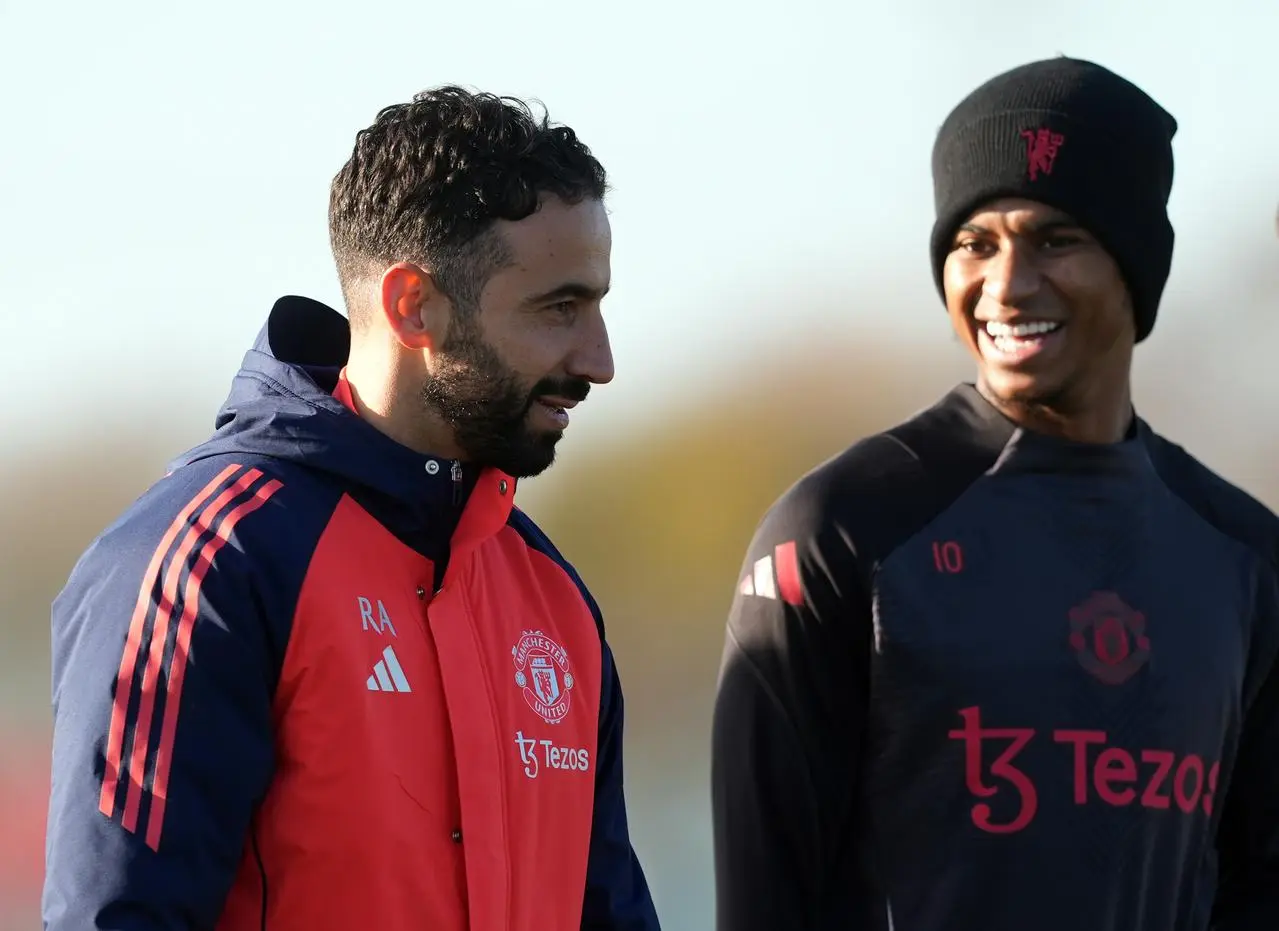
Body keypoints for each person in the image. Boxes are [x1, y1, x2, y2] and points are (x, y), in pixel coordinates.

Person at [43, 86, 661, 931]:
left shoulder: (554, 599)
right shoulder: (210, 562)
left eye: (598, 306)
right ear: (414, 306)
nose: (598, 359)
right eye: (559, 308)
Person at [710, 56, 1279, 931]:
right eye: (976, 243)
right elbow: (765, 901)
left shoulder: (1246, 558)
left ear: (1135, 266)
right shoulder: (838, 533)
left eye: (1056, 240)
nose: (1007, 287)